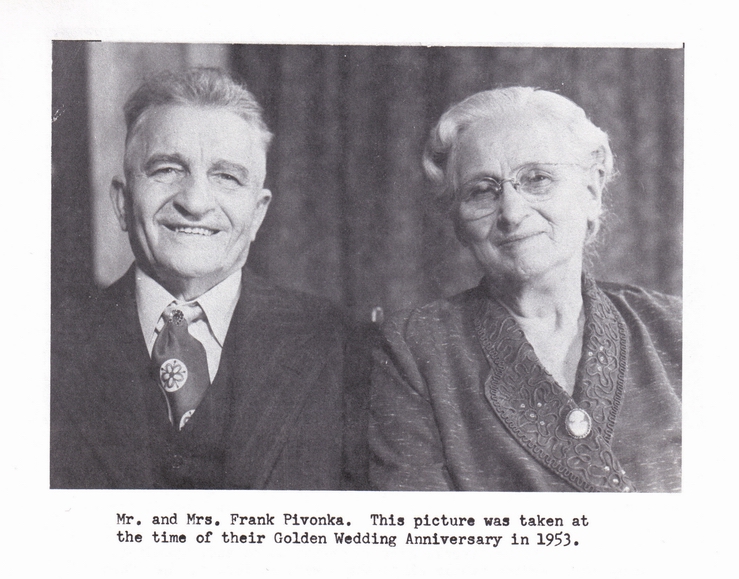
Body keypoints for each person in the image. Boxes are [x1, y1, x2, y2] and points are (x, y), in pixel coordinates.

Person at [51, 68, 368, 490]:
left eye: (226, 177)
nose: (196, 203)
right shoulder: (45, 347)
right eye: (167, 169)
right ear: (124, 203)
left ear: (258, 214)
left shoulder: (345, 347)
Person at [369, 87, 681, 492]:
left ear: (591, 191)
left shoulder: (677, 329)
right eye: (482, 191)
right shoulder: (414, 350)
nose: (512, 214)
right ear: (458, 221)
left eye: (537, 179)